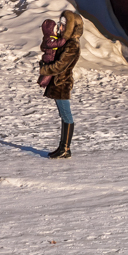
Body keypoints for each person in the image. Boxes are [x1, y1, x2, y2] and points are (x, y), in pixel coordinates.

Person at [40, 9, 83, 159]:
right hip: (59, 82)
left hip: (62, 83)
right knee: (64, 115)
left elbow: (60, 65)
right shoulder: (65, 42)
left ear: (71, 27)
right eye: (60, 24)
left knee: (66, 115)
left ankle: (65, 148)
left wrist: (44, 69)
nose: (60, 27)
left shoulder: (72, 45)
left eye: (63, 25)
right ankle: (63, 147)